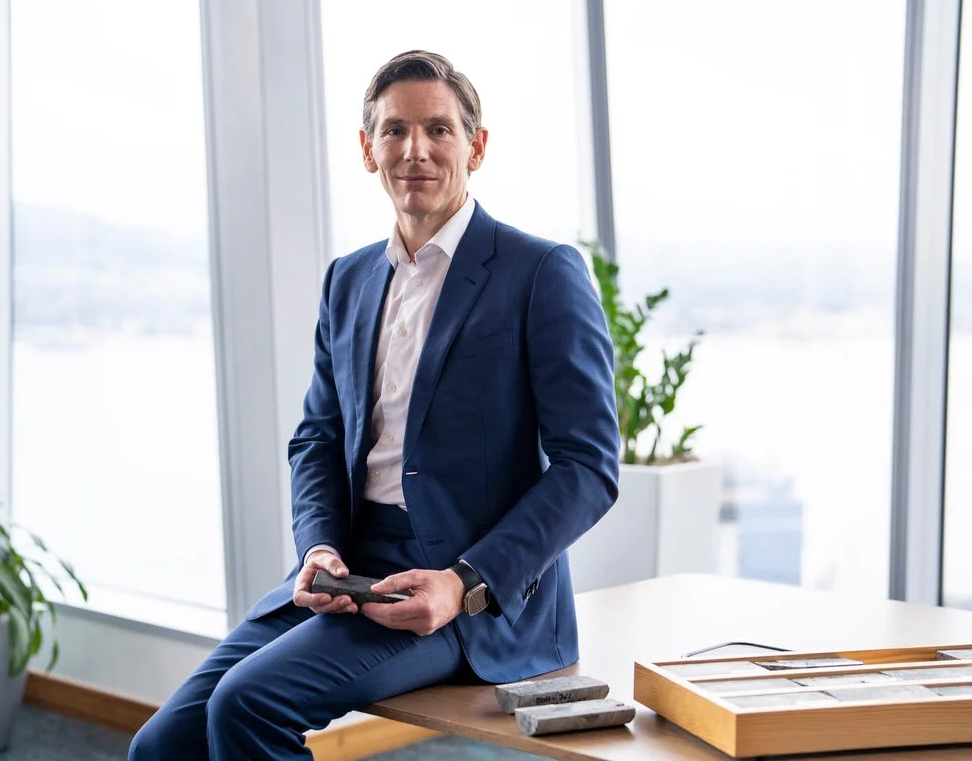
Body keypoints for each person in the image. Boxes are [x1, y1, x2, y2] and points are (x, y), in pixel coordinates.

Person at [129, 49, 620, 760]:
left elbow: (589, 466)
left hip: (468, 594)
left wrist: (464, 583)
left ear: (476, 147)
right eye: (394, 131)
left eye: (439, 130)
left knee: (247, 706)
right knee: (159, 748)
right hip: (353, 570)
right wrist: (319, 546)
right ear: (367, 149)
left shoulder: (541, 273)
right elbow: (319, 439)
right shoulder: (349, 279)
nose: (414, 150)